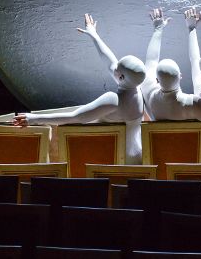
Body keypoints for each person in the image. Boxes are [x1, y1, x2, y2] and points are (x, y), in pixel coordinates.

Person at [13, 13, 146, 164]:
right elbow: (112, 63)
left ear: (121, 77)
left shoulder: (114, 100)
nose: (114, 67)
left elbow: (74, 117)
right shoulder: (137, 89)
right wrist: (94, 35)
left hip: (115, 159)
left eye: (118, 69)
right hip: (136, 158)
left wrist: (34, 119)